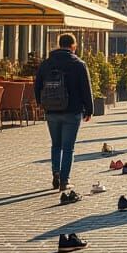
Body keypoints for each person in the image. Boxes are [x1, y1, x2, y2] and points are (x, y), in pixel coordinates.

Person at [33, 33, 94, 195]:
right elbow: (86, 88)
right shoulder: (78, 64)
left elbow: (37, 84)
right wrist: (89, 109)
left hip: (51, 110)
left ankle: (56, 173)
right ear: (73, 46)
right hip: (72, 111)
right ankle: (64, 181)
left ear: (59, 44)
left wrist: (40, 103)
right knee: (68, 148)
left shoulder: (46, 63)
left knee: (56, 144)